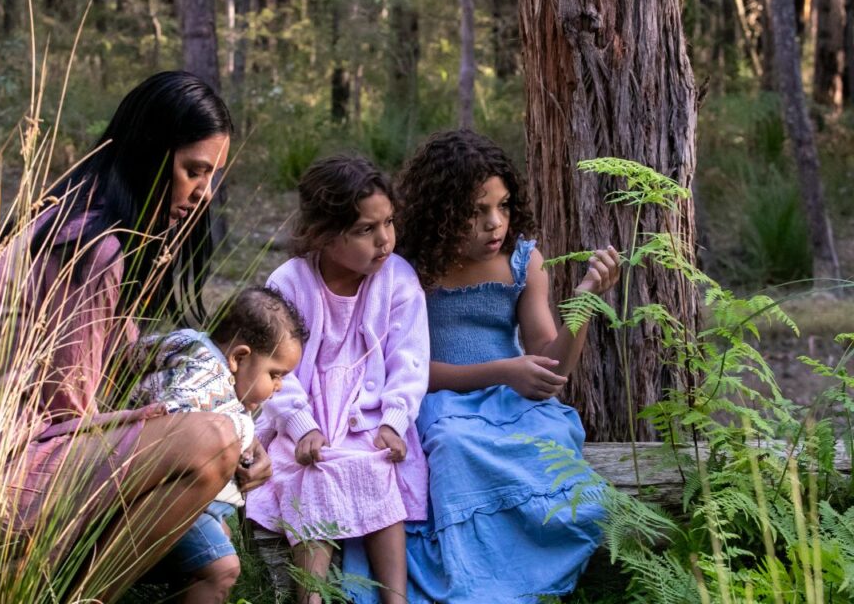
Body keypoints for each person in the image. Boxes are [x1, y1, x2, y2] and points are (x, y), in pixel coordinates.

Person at [0, 71, 271, 602]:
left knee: (219, 458)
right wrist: (221, 429)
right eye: (194, 171)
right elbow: (68, 415)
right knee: (213, 440)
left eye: (212, 176)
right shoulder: (93, 250)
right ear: (150, 153)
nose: (203, 194)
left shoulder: (82, 221)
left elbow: (111, 364)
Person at [395, 130, 621, 603]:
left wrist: (582, 305)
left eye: (502, 205)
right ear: (440, 212)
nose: (494, 223)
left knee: (553, 441)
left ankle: (525, 579)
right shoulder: (411, 268)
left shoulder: (524, 261)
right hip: (439, 401)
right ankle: (474, 582)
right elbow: (407, 369)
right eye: (476, 212)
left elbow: (552, 368)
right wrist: (503, 369)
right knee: (453, 447)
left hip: (512, 401)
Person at [245, 156, 430, 604]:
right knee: (312, 474)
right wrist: (300, 424)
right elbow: (275, 368)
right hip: (306, 419)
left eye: (388, 222)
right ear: (325, 234)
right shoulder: (290, 283)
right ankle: (310, 596)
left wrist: (395, 419)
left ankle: (395, 597)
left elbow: (410, 358)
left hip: (369, 420)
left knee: (380, 466)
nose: (384, 239)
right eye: (366, 229)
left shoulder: (398, 279)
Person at [128, 286, 307, 603]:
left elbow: (137, 353)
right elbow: (180, 419)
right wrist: (242, 432)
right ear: (239, 357)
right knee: (221, 568)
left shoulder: (193, 347)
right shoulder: (208, 378)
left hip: (185, 501)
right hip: (170, 499)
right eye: (275, 375)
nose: (279, 387)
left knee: (217, 542)